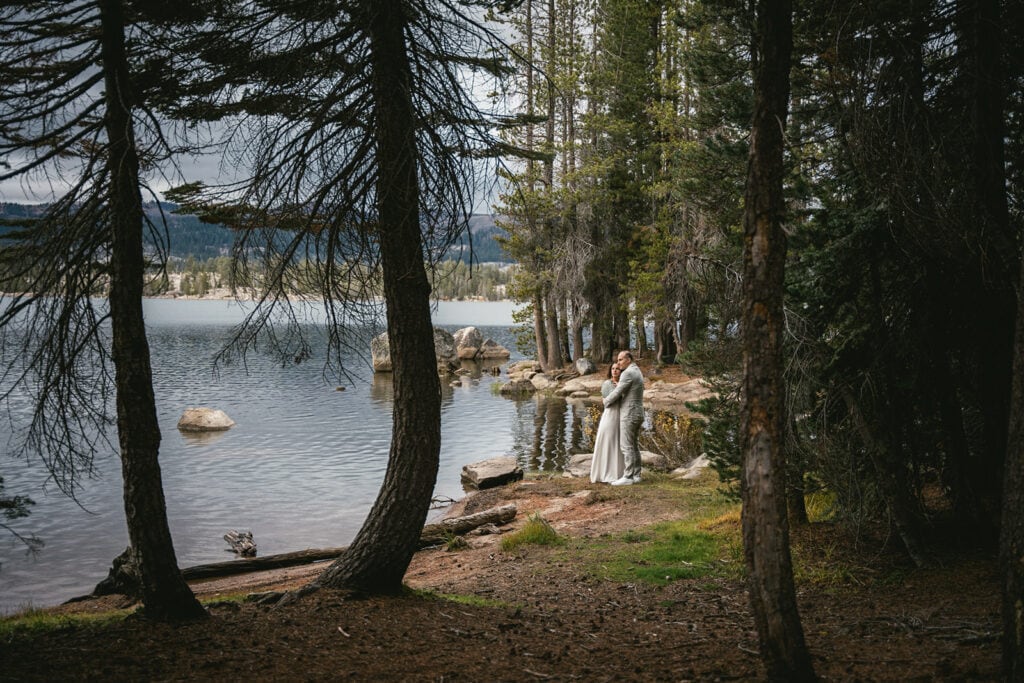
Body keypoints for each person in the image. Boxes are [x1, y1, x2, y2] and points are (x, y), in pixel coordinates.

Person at [603, 350, 644, 485]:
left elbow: (618, 392)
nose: (618, 362)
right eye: (618, 360)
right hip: (638, 413)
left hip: (630, 414)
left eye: (621, 360)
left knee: (626, 446)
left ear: (628, 359)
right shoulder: (637, 370)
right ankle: (637, 475)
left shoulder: (628, 373)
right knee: (634, 444)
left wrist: (606, 401)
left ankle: (628, 477)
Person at [590, 364, 625, 483]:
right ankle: (604, 473)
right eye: (613, 369)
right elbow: (607, 402)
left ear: (621, 371)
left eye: (617, 369)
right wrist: (619, 389)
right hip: (610, 415)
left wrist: (621, 388)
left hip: (622, 415)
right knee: (608, 441)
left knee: (620, 443)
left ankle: (620, 473)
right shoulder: (607, 384)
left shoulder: (625, 384)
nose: (615, 371)